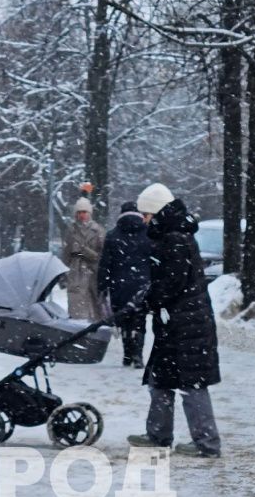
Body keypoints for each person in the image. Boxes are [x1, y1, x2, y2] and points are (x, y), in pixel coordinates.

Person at [125, 183, 221, 458]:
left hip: (186, 324)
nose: (143, 220)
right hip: (177, 321)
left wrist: (148, 301)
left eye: (146, 214)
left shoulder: (175, 238)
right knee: (161, 378)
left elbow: (172, 283)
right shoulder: (173, 235)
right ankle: (158, 433)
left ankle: (207, 443)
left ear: (156, 212)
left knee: (192, 383)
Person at [97, 201, 152, 368]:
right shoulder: (148, 234)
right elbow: (153, 260)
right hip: (142, 285)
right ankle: (138, 354)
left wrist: (102, 285)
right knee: (139, 318)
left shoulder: (113, 235)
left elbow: (105, 263)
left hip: (118, 285)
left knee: (123, 318)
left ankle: (127, 354)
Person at [62, 197, 106, 321]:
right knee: (76, 306)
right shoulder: (71, 230)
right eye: (79, 212)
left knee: (95, 306)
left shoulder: (98, 231)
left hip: (93, 271)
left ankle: (96, 330)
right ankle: (78, 329)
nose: (82, 215)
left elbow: (103, 255)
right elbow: (66, 253)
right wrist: (63, 273)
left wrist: (87, 252)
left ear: (90, 213)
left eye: (84, 212)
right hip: (76, 272)